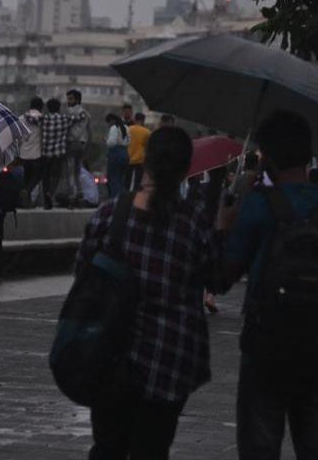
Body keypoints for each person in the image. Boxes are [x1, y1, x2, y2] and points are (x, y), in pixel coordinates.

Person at [75, 126, 225, 459]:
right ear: (187, 170)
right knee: (152, 450)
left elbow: (83, 275)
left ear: (147, 163)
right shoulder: (192, 225)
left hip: (110, 358)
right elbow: (216, 278)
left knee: (108, 447)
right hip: (169, 363)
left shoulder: (110, 214)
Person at [224, 110, 318, 460]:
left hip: (265, 346)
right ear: (308, 154)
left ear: (266, 157)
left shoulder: (257, 206)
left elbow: (221, 276)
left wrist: (225, 221)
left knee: (259, 446)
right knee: (316, 446)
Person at [39, 98, 71, 210]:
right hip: (59, 152)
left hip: (45, 152)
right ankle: (51, 193)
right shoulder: (64, 118)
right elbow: (78, 119)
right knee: (56, 175)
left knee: (45, 176)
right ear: (58, 108)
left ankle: (46, 200)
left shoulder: (44, 118)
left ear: (48, 108)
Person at [63, 89, 91, 207]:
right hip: (82, 144)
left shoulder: (69, 112)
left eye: (70, 99)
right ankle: (80, 194)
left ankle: (73, 196)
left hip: (71, 143)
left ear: (77, 100)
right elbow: (88, 131)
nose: (68, 101)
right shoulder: (87, 113)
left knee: (70, 172)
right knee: (78, 171)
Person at [18, 97, 45, 208]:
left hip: (23, 153)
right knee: (38, 174)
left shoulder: (21, 118)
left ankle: (26, 202)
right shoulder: (42, 119)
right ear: (41, 107)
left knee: (27, 176)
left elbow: (18, 136)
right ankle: (27, 190)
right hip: (37, 153)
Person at [104, 113, 129, 200]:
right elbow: (129, 141)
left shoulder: (113, 128)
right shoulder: (126, 127)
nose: (108, 124)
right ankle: (121, 199)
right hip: (125, 153)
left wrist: (106, 140)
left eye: (108, 122)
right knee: (121, 178)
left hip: (115, 153)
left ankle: (114, 199)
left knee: (113, 178)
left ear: (112, 120)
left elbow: (111, 142)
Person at [126, 112, 151, 195]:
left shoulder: (128, 129)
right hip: (140, 159)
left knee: (127, 181)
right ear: (143, 120)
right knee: (138, 182)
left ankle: (126, 197)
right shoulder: (147, 132)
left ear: (135, 119)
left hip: (128, 158)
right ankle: (135, 197)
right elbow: (148, 146)